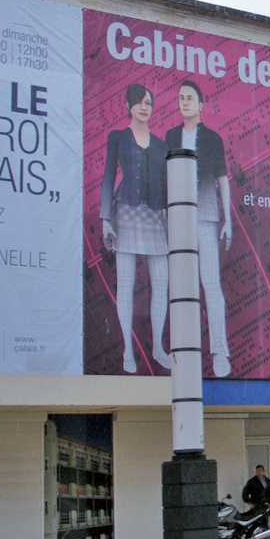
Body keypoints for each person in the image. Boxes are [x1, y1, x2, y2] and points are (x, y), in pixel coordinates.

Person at [100, 83, 170, 374]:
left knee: (162, 284)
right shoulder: (117, 138)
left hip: (155, 216)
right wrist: (106, 218)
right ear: (128, 105)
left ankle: (157, 347)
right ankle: (129, 351)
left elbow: (166, 185)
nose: (144, 107)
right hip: (126, 212)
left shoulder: (162, 145)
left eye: (149, 103)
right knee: (125, 285)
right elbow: (107, 178)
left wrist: (170, 220)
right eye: (140, 102)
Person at [165, 80, 233, 377]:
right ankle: (182, 351)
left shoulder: (213, 138)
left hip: (205, 215)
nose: (184, 102)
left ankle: (220, 351)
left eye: (190, 97)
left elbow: (222, 180)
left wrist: (227, 218)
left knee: (211, 284)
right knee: (180, 288)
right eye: (180, 97)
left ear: (201, 104)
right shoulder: (170, 136)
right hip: (178, 218)